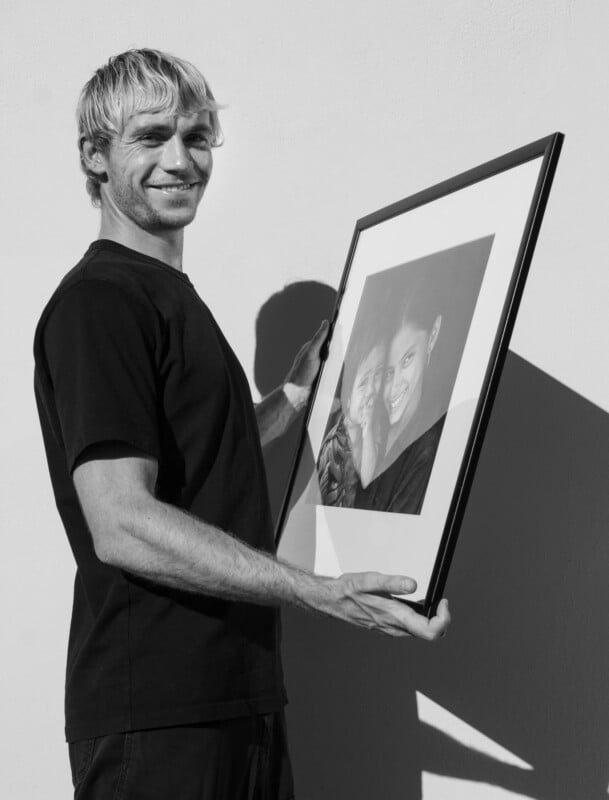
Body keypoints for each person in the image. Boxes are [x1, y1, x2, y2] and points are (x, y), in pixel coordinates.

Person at [33, 48, 450, 799]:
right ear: (94, 155)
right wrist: (319, 591)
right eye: (151, 136)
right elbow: (120, 521)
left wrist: (290, 397)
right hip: (158, 716)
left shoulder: (166, 294)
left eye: (195, 137)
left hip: (235, 696)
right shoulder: (102, 302)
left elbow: (194, 451)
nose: (179, 160)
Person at [359, 285, 444, 515]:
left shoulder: (428, 451)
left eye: (407, 359)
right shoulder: (366, 423)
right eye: (387, 372)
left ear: (433, 335)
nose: (394, 386)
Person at [317, 326, 386, 507]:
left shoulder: (378, 429)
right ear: (347, 399)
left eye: (378, 375)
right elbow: (367, 480)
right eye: (363, 383)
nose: (371, 390)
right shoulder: (333, 448)